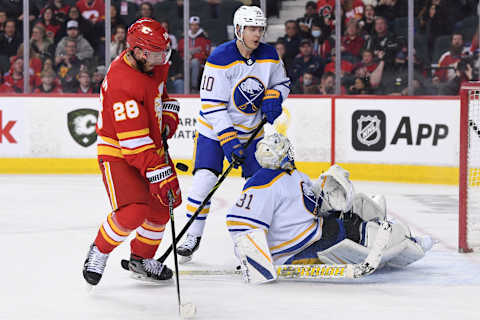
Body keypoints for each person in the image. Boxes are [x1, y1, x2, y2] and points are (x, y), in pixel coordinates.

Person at [227, 133, 433, 283]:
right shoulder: (261, 184)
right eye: (287, 150)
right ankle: (402, 240)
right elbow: (240, 222)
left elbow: (307, 205)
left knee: (361, 205)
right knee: (365, 232)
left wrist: (326, 194)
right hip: (300, 248)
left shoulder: (293, 176)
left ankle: (399, 238)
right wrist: (254, 261)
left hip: (319, 232)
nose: (291, 154)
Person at [176, 6, 290, 262]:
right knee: (204, 180)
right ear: (239, 29)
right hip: (214, 133)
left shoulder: (270, 55)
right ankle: (192, 236)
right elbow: (212, 105)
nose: (257, 33)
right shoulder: (220, 57)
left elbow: (282, 83)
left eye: (260, 28)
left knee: (256, 189)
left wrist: (275, 96)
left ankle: (250, 243)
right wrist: (228, 139)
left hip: (252, 133)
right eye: (251, 28)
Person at [82, 18, 182, 286]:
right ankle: (99, 251)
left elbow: (160, 96)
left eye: (164, 52)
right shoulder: (121, 83)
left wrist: (168, 116)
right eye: (156, 54)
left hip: (148, 147)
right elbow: (134, 145)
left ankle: (141, 259)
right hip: (119, 152)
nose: (162, 59)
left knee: (162, 209)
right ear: (137, 51)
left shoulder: (152, 64)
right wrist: (162, 176)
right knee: (133, 211)